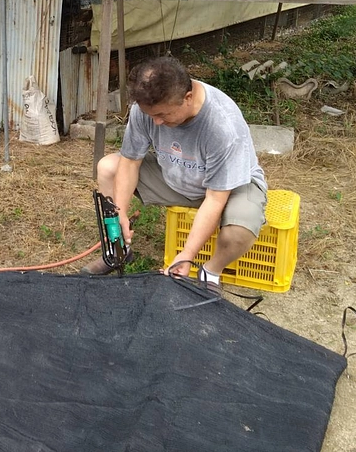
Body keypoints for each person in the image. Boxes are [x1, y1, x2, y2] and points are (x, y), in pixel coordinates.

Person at [82, 56, 267, 289]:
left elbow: (215, 198)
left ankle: (211, 273)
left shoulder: (221, 125)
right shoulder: (147, 108)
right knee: (108, 167)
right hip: (176, 174)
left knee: (240, 230)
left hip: (230, 187)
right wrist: (119, 211)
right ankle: (119, 249)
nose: (156, 122)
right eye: (151, 116)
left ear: (187, 98)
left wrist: (187, 253)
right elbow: (130, 162)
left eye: (163, 115)